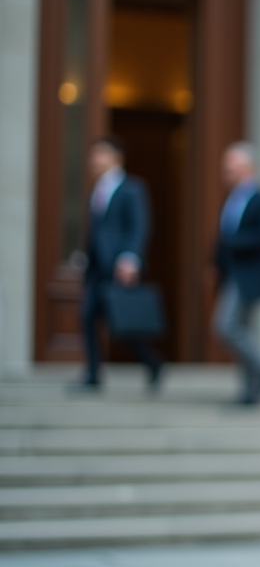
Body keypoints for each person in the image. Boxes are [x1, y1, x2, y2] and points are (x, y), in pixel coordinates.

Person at [74, 135, 164, 391]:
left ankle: (152, 361)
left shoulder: (132, 188)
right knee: (88, 316)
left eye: (100, 154)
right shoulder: (96, 190)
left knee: (123, 324)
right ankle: (92, 375)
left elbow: (139, 225)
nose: (94, 160)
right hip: (96, 267)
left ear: (116, 157)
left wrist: (130, 258)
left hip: (118, 266)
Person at [212, 142, 260, 406]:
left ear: (248, 167)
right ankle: (249, 391)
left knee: (227, 326)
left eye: (231, 166)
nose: (226, 171)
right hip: (231, 274)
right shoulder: (230, 199)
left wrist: (234, 242)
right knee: (242, 328)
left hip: (251, 275)